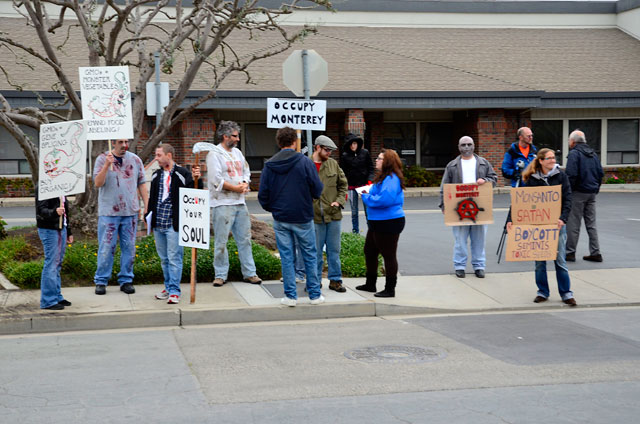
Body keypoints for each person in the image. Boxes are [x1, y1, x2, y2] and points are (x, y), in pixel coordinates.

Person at [258, 126, 325, 307]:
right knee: (310, 255)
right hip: (303, 215)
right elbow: (318, 190)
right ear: (294, 142)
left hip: (281, 217)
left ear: (278, 142)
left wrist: (273, 208)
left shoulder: (270, 165)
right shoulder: (305, 163)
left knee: (287, 257)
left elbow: (263, 195)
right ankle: (314, 295)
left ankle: (290, 296)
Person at [507, 148, 577, 306]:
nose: (553, 160)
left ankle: (566, 293)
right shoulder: (530, 179)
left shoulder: (561, 176)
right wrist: (511, 219)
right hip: (537, 226)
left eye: (554, 158)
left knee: (560, 261)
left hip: (557, 225)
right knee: (540, 262)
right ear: (541, 161)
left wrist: (563, 218)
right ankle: (542, 292)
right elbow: (519, 202)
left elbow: (568, 199)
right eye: (549, 158)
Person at [206, 121, 262, 287]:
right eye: (235, 136)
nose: (238, 139)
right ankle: (220, 274)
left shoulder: (237, 153)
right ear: (225, 136)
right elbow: (216, 180)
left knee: (245, 239)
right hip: (221, 203)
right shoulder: (214, 154)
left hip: (240, 203)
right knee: (221, 241)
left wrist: (245, 183)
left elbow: (246, 171)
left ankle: (250, 273)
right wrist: (237, 188)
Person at [146, 144, 201, 305]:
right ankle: (168, 287)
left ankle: (175, 290)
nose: (156, 158)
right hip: (159, 222)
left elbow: (195, 193)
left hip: (174, 223)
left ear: (168, 155)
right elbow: (153, 198)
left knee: (174, 258)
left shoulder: (182, 174)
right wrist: (149, 215)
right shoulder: (156, 175)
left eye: (158, 155)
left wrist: (198, 178)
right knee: (164, 259)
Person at [93, 138, 149, 295]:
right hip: (109, 213)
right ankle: (101, 280)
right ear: (113, 143)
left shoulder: (135, 160)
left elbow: (142, 184)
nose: (124, 145)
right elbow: (97, 183)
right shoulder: (102, 159)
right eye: (120, 142)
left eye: (126, 142)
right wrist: (106, 165)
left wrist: (147, 205)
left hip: (130, 212)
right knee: (106, 248)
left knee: (129, 248)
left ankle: (126, 280)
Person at [439, 136, 497, 278]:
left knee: (479, 239)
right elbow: (444, 186)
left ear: (474, 146)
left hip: (480, 208)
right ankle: (459, 266)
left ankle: (479, 266)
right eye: (463, 145)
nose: (466, 147)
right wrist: (443, 204)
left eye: (469, 144)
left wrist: (485, 180)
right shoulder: (452, 165)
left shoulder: (484, 163)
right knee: (460, 240)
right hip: (458, 209)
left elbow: (494, 179)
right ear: (459, 147)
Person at [356, 149, 405, 298]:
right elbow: (378, 194)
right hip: (377, 221)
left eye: (379, 158)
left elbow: (385, 200)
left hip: (389, 221)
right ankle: (370, 283)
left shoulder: (392, 179)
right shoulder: (383, 178)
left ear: (387, 162)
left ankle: (390, 289)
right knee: (370, 251)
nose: (376, 160)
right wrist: (370, 193)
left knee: (388, 255)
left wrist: (366, 197)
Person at [312, 135, 348, 293]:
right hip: (313, 215)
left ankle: (335, 280)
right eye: (326, 150)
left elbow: (343, 185)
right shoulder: (306, 164)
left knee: (334, 250)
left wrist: (339, 201)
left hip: (333, 214)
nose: (329, 153)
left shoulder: (333, 164)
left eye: (331, 150)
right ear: (317, 147)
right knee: (316, 252)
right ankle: (315, 282)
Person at [565, 130, 605, 263]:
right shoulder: (593, 154)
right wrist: (595, 189)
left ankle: (570, 252)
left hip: (578, 192)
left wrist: (568, 192)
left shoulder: (574, 154)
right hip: (591, 192)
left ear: (572, 141)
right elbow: (600, 173)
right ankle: (596, 252)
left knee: (573, 223)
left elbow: (571, 174)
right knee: (591, 223)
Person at [36, 193, 73, 310]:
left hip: (61, 228)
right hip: (49, 229)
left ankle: (56, 296)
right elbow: (41, 210)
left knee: (57, 263)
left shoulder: (61, 186)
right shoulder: (44, 186)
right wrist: (54, 212)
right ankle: (48, 300)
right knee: (51, 263)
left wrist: (69, 231)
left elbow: (65, 211)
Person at [340, 133, 374, 234]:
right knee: (354, 211)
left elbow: (371, 168)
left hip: (364, 185)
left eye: (354, 143)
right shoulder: (345, 156)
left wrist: (369, 180)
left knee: (367, 210)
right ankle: (355, 232)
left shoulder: (365, 153)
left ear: (357, 144)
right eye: (350, 144)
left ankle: (371, 232)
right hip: (352, 186)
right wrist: (343, 185)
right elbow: (343, 172)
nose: (353, 146)